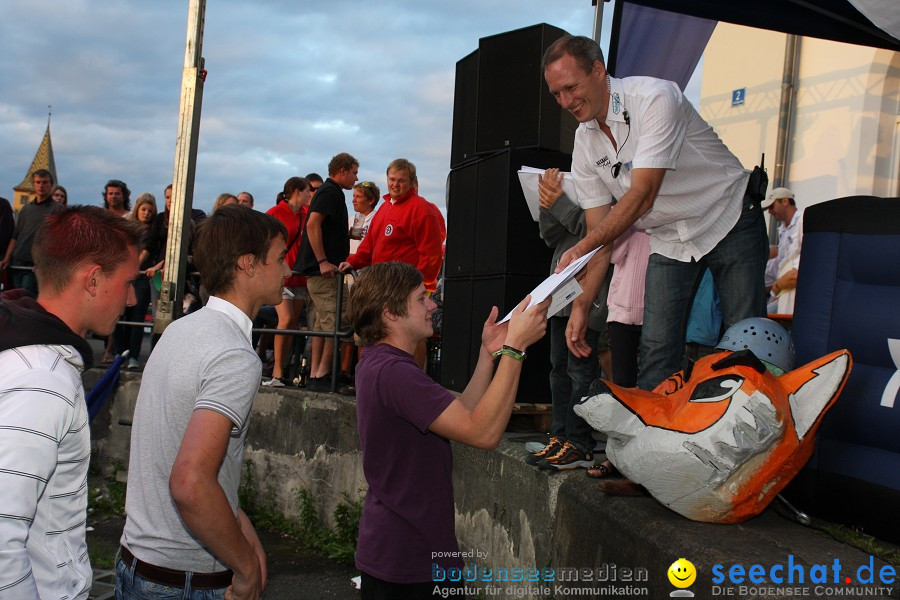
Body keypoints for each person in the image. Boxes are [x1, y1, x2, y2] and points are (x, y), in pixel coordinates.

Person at [543, 35, 767, 391]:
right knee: (656, 348)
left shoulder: (656, 98)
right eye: (556, 94)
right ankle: (653, 443)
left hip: (728, 216)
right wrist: (583, 304)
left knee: (746, 339)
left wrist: (582, 248)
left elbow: (643, 195)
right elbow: (600, 232)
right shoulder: (584, 142)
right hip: (668, 237)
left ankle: (748, 438)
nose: (566, 101)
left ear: (598, 71)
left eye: (571, 87)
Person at [349, 261, 549, 598]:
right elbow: (482, 433)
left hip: (405, 552)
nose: (432, 305)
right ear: (390, 313)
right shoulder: (395, 372)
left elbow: (463, 415)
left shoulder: (383, 363)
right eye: (420, 299)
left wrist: (489, 355)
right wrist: (515, 349)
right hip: (407, 562)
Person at [117, 205, 287, 600]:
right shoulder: (233, 355)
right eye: (279, 258)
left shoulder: (181, 329)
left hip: (139, 563)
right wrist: (245, 568)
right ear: (248, 264)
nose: (286, 269)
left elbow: (186, 461)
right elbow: (191, 482)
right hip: (184, 579)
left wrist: (245, 537)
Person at [0, 205, 142, 599]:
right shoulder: (41, 380)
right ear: (94, 279)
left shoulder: (27, 355)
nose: (131, 299)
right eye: (127, 282)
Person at [525, 167, 608, 471]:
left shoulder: (606, 185)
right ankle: (560, 437)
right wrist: (546, 205)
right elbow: (550, 236)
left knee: (579, 369)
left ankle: (580, 442)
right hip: (560, 288)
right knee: (558, 368)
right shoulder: (571, 191)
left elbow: (598, 232)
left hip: (588, 289)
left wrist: (558, 202)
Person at [296, 153, 358, 392]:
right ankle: (322, 374)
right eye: (353, 172)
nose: (355, 178)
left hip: (323, 272)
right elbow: (312, 224)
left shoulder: (331, 192)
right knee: (337, 320)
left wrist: (347, 236)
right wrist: (322, 260)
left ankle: (316, 373)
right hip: (324, 272)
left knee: (324, 323)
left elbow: (319, 225)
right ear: (341, 171)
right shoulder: (331, 192)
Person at [263, 177, 313, 387]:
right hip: (281, 275)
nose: (310, 195)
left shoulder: (305, 215)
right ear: (296, 192)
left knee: (292, 323)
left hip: (299, 274)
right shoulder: (274, 213)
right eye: (307, 191)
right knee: (286, 319)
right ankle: (277, 371)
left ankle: (281, 370)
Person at [1, 169, 60, 295]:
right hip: (16, 264)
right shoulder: (26, 208)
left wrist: (45, 262)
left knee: (25, 302)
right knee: (14, 300)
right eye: (38, 182)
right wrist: (7, 258)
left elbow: (59, 240)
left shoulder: (57, 210)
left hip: (34, 266)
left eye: (45, 182)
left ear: (51, 185)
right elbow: (15, 235)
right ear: (34, 185)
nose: (41, 185)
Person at [117, 193, 158, 369]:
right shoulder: (128, 228)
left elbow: (151, 249)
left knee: (138, 316)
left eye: (150, 210)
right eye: (143, 209)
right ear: (137, 209)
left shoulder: (154, 230)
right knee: (119, 314)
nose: (147, 213)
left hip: (142, 276)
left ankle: (133, 355)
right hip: (125, 275)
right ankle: (120, 352)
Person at [763, 187, 803, 314]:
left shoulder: (803, 220)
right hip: (781, 292)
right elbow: (779, 264)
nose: (769, 211)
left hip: (793, 291)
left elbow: (799, 267)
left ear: (785, 201)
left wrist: (777, 285)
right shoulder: (783, 230)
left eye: (772, 206)